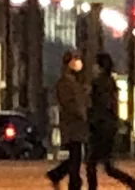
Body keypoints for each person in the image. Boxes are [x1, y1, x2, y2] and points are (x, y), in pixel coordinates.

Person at [87, 52, 135, 190]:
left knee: (92, 163)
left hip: (101, 127)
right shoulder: (110, 81)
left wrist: (92, 119)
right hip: (108, 126)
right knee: (106, 165)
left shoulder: (99, 83)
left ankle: (133, 184)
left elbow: (101, 105)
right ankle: (134, 184)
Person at [46, 50, 89, 190]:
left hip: (77, 125)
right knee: (75, 156)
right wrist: (81, 113)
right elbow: (69, 103)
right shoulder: (64, 82)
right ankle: (72, 182)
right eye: (75, 59)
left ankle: (59, 175)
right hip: (71, 125)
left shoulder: (74, 81)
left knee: (75, 156)